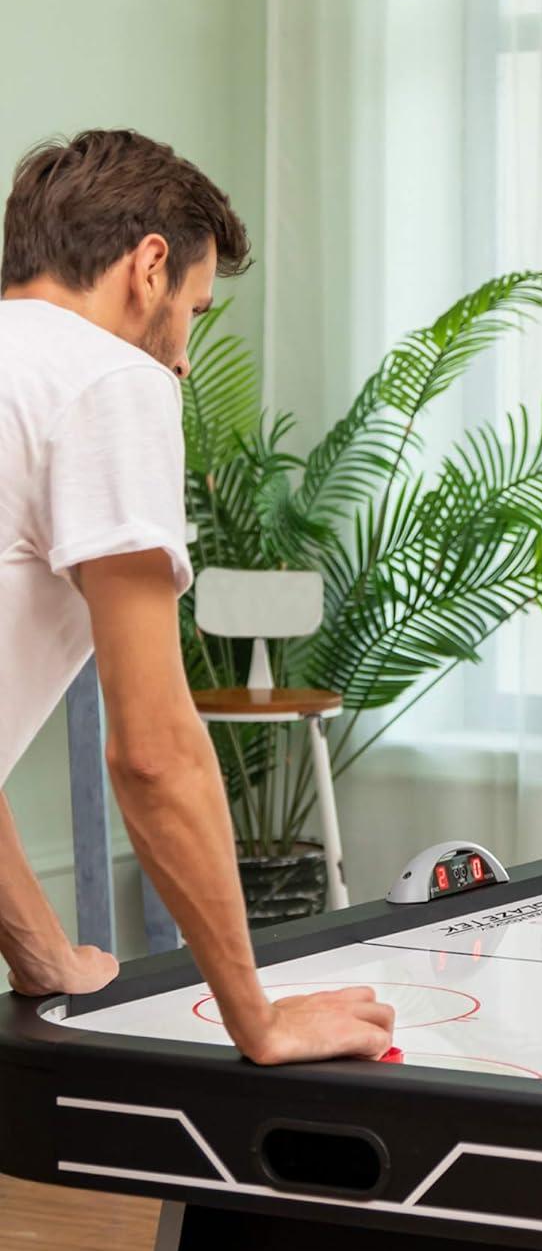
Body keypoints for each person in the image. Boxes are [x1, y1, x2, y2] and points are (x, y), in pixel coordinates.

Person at [0, 129, 394, 1063]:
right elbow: (153, 753)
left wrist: (45, 954)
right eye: (196, 309)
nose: (183, 354)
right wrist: (254, 1015)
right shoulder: (110, 380)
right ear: (147, 269)